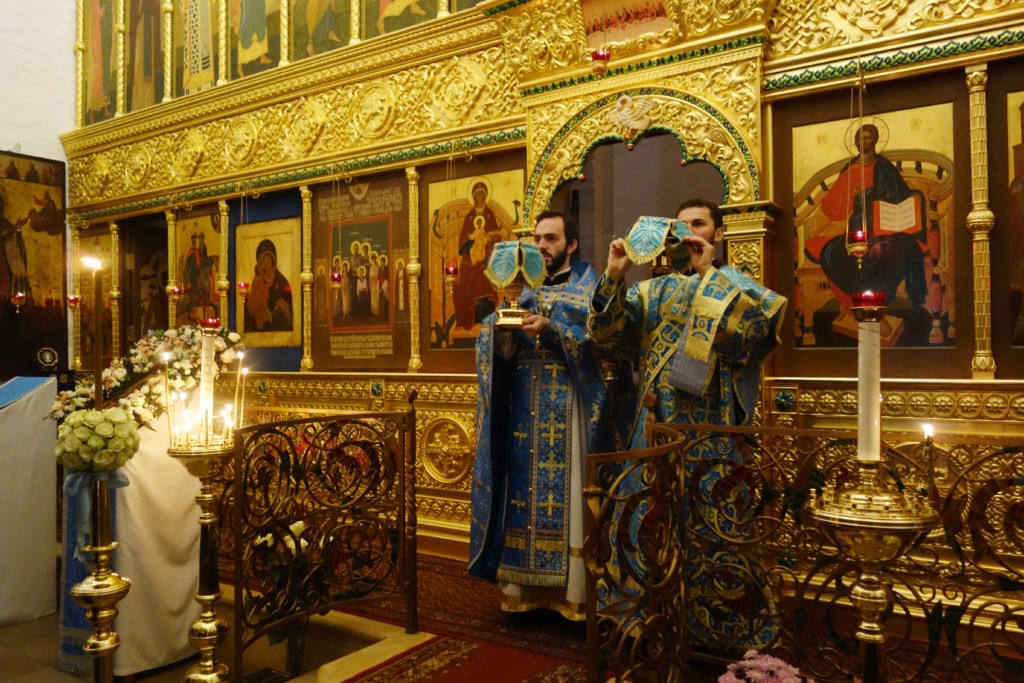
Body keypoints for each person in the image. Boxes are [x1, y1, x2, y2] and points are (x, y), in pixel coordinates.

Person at [587, 198, 786, 648]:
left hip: (711, 433)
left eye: (698, 224)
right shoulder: (651, 291)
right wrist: (615, 273)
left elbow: (748, 336)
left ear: (718, 233)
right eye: (681, 226)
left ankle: (718, 632)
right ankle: (647, 624)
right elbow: (607, 338)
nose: (688, 233)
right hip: (652, 431)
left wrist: (708, 274)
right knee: (646, 525)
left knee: (713, 528)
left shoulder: (734, 284)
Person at [469, 210, 622, 621]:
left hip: (569, 409)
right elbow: (492, 348)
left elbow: (603, 348)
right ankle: (523, 588)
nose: (541, 246)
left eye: (551, 239)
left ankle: (573, 594)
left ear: (571, 244)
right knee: (521, 493)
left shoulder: (589, 291)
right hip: (523, 411)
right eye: (537, 238)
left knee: (569, 497)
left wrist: (551, 330)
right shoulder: (523, 292)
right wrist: (501, 325)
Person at [810, 123, 928, 315]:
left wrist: (911, 200)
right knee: (831, 252)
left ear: (875, 140)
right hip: (858, 229)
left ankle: (881, 300)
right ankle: (856, 299)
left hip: (887, 228)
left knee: (882, 251)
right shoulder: (850, 169)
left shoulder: (886, 168)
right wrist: (849, 196)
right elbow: (832, 208)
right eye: (859, 138)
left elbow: (903, 196)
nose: (862, 141)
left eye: (867, 137)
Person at [244, 238, 293, 332]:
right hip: (258, 332)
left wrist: (271, 316)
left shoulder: (282, 282)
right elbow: (249, 312)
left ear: (273, 259)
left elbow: (286, 315)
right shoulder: (257, 282)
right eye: (262, 258)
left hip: (277, 330)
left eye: (267, 258)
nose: (265, 261)